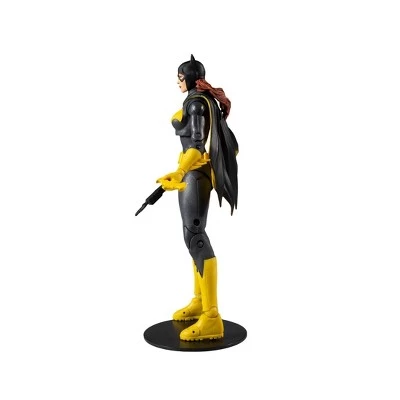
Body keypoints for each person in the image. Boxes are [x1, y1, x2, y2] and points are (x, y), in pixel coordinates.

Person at [156, 55, 238, 341]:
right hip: (192, 172)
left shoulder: (196, 104)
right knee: (191, 236)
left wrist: (180, 171)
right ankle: (200, 300)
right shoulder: (201, 100)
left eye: (180, 77)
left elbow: (197, 146)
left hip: (196, 173)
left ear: (189, 78)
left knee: (195, 237)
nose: (177, 82)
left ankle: (212, 316)